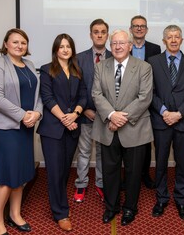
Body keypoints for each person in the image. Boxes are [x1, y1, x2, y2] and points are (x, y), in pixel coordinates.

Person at [91, 29, 153, 226]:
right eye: (114, 43)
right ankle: (112, 207)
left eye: (122, 43)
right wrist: (111, 115)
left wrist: (121, 118)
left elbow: (145, 97)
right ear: (111, 46)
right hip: (107, 128)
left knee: (134, 173)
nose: (118, 46)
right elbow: (96, 94)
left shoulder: (143, 67)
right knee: (110, 171)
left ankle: (130, 208)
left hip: (135, 129)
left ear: (130, 46)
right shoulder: (101, 67)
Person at [0, 28, 43, 235]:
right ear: (6, 43)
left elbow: (38, 95)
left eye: (23, 43)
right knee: (7, 176)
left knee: (22, 174)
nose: (19, 46)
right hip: (3, 129)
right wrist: (22, 115)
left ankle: (15, 214)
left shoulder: (30, 65)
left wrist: (36, 113)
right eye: (15, 42)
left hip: (25, 127)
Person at [147, 25, 184, 220]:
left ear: (182, 40)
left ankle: (180, 199)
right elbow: (149, 93)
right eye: (170, 37)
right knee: (160, 162)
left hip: (183, 122)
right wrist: (164, 112)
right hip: (161, 121)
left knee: (181, 163)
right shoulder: (152, 62)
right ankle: (161, 198)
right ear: (164, 41)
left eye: (177, 37)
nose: (174, 40)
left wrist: (178, 114)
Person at [37, 33, 86, 232]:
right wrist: (65, 119)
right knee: (55, 171)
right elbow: (47, 98)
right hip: (53, 129)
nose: (65, 49)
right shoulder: (46, 69)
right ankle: (61, 213)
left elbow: (83, 97)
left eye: (68, 46)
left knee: (65, 170)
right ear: (56, 49)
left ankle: (59, 202)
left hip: (72, 126)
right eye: (61, 46)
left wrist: (75, 114)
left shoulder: (77, 70)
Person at [73, 19, 111, 203]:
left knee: (103, 154)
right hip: (86, 114)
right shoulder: (79, 58)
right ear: (90, 35)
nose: (99, 34)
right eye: (96, 32)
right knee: (84, 152)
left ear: (107, 35)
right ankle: (81, 184)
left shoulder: (114, 57)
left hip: (106, 117)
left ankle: (101, 184)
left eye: (103, 32)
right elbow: (76, 87)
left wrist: (106, 112)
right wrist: (85, 109)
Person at [128, 15, 161, 189]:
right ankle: (128, 175)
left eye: (142, 26)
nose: (139, 29)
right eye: (136, 26)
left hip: (149, 100)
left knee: (146, 141)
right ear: (130, 29)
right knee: (127, 140)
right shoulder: (125, 47)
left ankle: (144, 174)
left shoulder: (156, 49)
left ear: (146, 30)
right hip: (127, 100)